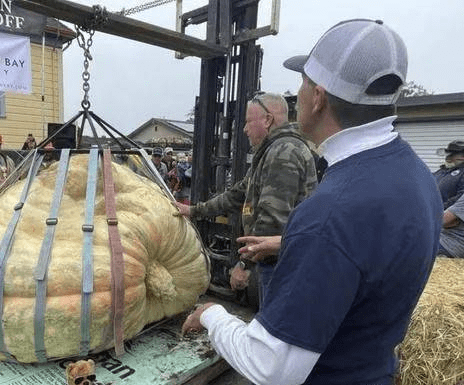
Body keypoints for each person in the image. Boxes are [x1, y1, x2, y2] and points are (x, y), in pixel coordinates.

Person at [182, 19, 443, 385]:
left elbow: (272, 368)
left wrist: (213, 315)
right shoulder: (415, 175)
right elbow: (368, 256)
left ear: (318, 97)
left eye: (301, 83)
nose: (297, 95)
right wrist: (288, 242)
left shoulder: (331, 213)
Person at [174, 92, 317, 304]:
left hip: (281, 265)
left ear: (267, 120)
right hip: (277, 261)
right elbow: (237, 194)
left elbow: (272, 221)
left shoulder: (283, 152)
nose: (244, 129)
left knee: (273, 327)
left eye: (249, 121)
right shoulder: (272, 152)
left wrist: (244, 265)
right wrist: (194, 210)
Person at [434, 140, 464, 257]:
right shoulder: (442, 171)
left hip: (449, 235)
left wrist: (439, 211)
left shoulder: (461, 174)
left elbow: (449, 218)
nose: (448, 158)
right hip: (438, 225)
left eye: (452, 155)